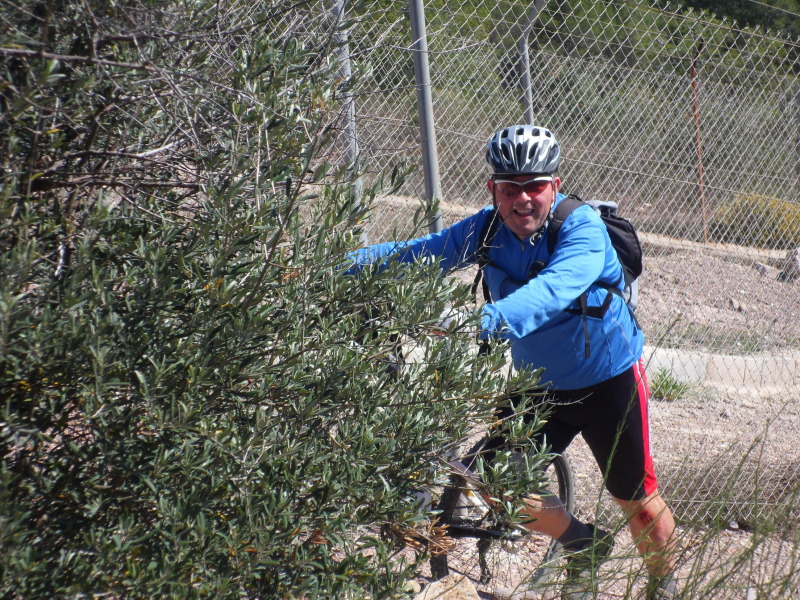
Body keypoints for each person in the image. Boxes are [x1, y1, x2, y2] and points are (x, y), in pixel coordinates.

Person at [349, 125, 679, 599]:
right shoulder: (486, 229)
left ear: (555, 187)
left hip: (609, 382)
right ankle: (581, 542)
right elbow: (417, 256)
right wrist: (335, 268)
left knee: (636, 500)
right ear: (493, 190)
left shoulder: (581, 228)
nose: (522, 198)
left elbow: (550, 293)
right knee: (495, 481)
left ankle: (661, 584)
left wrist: (476, 322)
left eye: (534, 185)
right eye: (509, 187)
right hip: (538, 384)